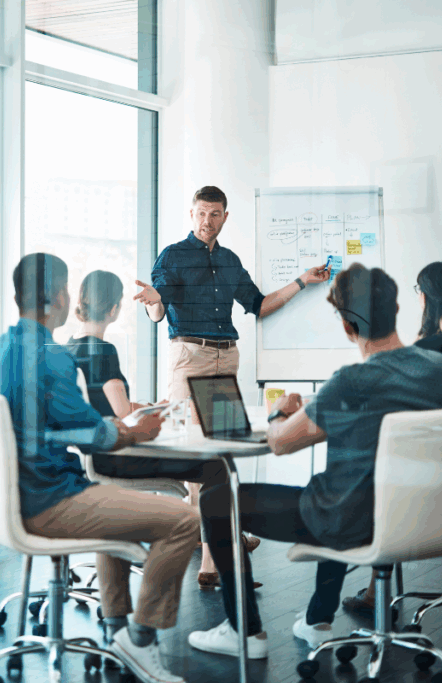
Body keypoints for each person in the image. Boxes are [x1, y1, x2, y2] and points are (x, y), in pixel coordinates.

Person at [187, 264, 442, 659]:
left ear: (348, 326)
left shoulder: (351, 381)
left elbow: (280, 444)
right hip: (420, 514)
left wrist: (280, 413)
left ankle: (243, 631)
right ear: (397, 308)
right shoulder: (441, 371)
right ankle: (317, 619)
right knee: (338, 482)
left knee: (216, 500)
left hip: (353, 522)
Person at [0, 253, 197, 683]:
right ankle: (139, 638)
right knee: (186, 521)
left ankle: (116, 631)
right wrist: (135, 432)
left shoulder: (2, 347)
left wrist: (105, 428)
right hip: (50, 499)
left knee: (113, 503)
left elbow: (43, 429)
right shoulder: (49, 357)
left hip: (9, 498)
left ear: (15, 296)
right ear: (61, 298)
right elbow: (95, 436)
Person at [132, 185, 329, 585]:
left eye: (215, 214)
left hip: (227, 355)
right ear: (191, 214)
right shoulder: (173, 255)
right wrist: (153, 299)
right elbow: (157, 308)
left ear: (225, 216)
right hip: (190, 355)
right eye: (202, 213)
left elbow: (259, 305)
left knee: (222, 450)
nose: (208, 221)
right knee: (197, 452)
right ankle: (210, 561)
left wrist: (302, 282)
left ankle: (223, 532)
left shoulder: (229, 260)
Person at [66, 270, 263, 589]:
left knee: (210, 465)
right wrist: (160, 410)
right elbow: (119, 411)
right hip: (118, 458)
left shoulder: (68, 349)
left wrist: (146, 406)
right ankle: (229, 568)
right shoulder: (103, 351)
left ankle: (226, 549)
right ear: (115, 309)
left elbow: (103, 408)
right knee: (217, 468)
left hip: (89, 460)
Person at [341, 259, 442, 620]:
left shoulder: (429, 350)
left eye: (418, 292)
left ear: (426, 299)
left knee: (373, 474)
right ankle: (381, 587)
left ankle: (372, 593)